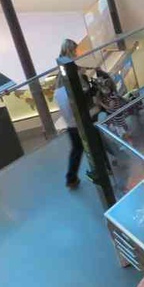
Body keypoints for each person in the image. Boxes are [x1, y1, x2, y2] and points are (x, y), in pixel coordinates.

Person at [54, 39, 83, 190]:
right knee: (81, 146)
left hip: (69, 117)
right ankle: (71, 177)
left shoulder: (61, 68)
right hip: (76, 116)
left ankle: (71, 178)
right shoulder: (70, 69)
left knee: (77, 147)